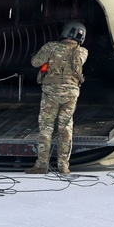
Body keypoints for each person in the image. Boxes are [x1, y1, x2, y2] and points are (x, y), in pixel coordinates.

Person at [25, 22, 88, 175]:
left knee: (46, 129)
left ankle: (41, 165)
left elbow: (35, 63)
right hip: (71, 94)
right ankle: (63, 166)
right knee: (66, 129)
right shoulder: (83, 52)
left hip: (51, 93)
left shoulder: (51, 47)